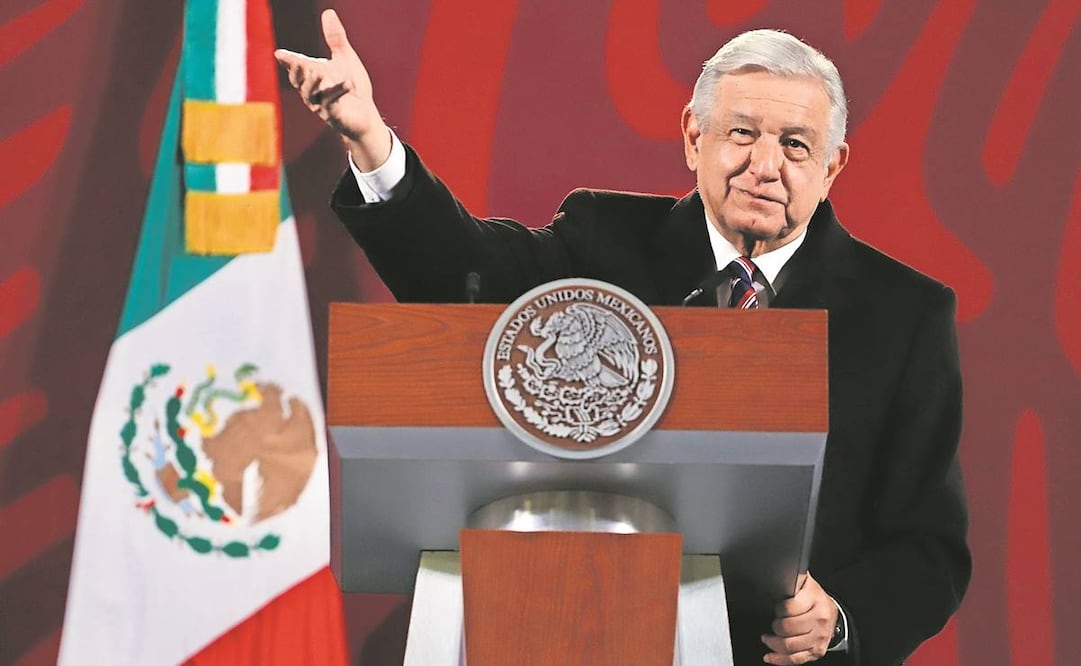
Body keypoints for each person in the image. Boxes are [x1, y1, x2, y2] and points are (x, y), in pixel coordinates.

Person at [276, 10, 970, 665]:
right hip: (580, 628)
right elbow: (466, 276)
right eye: (741, 134)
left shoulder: (904, 313)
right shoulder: (603, 239)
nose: (765, 165)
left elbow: (928, 548)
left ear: (833, 165)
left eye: (794, 145)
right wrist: (371, 141)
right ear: (694, 138)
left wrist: (838, 617)